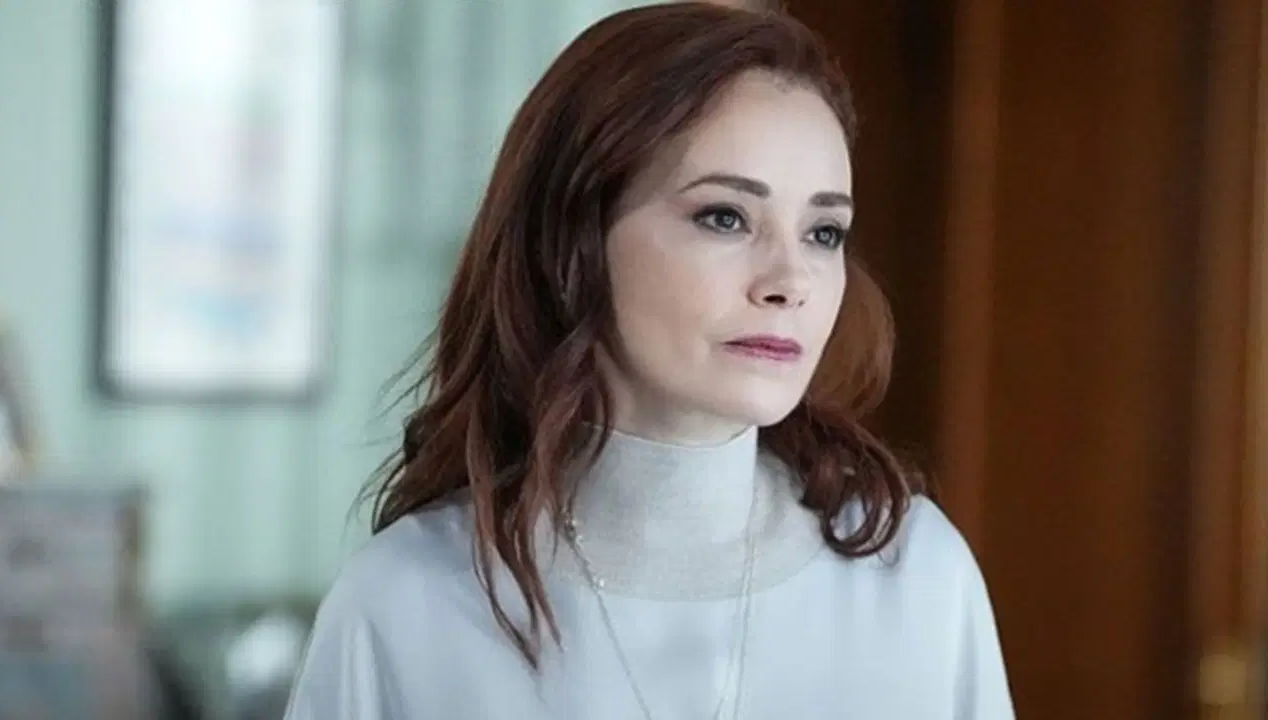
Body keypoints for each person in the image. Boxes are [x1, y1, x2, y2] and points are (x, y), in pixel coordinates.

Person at [284, 3, 1014, 718]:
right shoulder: (409, 602)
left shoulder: (916, 578)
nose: (790, 281)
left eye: (824, 232)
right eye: (725, 217)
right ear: (573, 240)